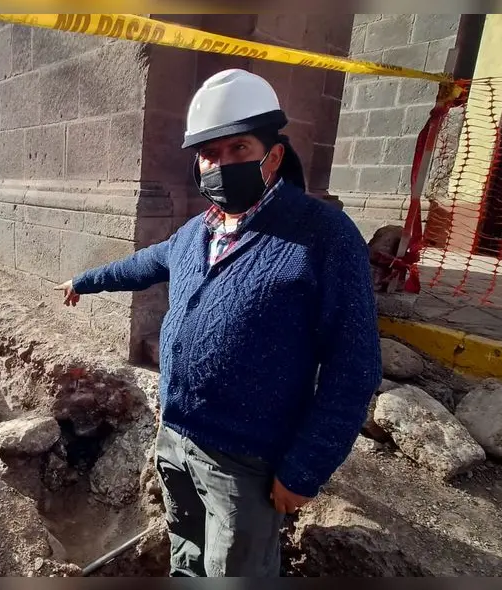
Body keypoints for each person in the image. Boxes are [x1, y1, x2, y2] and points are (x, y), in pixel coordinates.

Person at [54, 69, 381, 577]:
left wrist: (306, 469)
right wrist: (85, 280)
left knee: (237, 572)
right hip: (177, 437)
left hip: (246, 461)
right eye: (210, 153)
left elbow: (354, 366)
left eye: (238, 149)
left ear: (272, 156)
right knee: (187, 552)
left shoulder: (323, 237)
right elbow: (143, 264)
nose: (220, 164)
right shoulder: (196, 233)